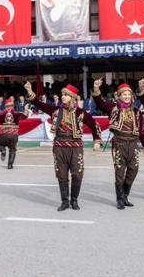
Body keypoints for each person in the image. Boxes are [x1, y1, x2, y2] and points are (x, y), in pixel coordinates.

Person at [25, 81, 102, 211]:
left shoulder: (81, 112)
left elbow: (94, 124)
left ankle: (74, 200)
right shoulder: (55, 110)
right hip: (59, 146)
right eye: (62, 94)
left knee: (77, 174)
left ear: (72, 97)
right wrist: (29, 91)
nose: (63, 97)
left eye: (66, 95)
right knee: (62, 175)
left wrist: (97, 141)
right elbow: (38, 104)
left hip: (75, 146)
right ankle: (65, 201)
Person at [92, 79, 144, 209]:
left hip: (132, 143)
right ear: (119, 96)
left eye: (128, 94)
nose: (126, 97)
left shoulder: (136, 112)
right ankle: (120, 199)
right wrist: (96, 89)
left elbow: (142, 129)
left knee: (133, 170)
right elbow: (99, 102)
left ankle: (125, 195)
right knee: (120, 171)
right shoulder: (113, 108)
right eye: (124, 94)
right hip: (119, 143)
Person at [0, 98, 29, 169]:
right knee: (12, 149)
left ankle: (3, 150)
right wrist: (26, 109)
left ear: (5, 106)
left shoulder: (0, 113)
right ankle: (10, 165)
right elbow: (25, 116)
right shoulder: (17, 113)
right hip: (14, 135)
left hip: (3, 135)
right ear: (12, 105)